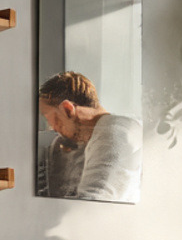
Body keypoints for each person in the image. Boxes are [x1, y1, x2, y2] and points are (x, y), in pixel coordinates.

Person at [37, 71, 142, 203]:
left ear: (67, 109)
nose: (52, 127)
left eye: (48, 117)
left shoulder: (115, 131)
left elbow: (94, 200)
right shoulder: (74, 142)